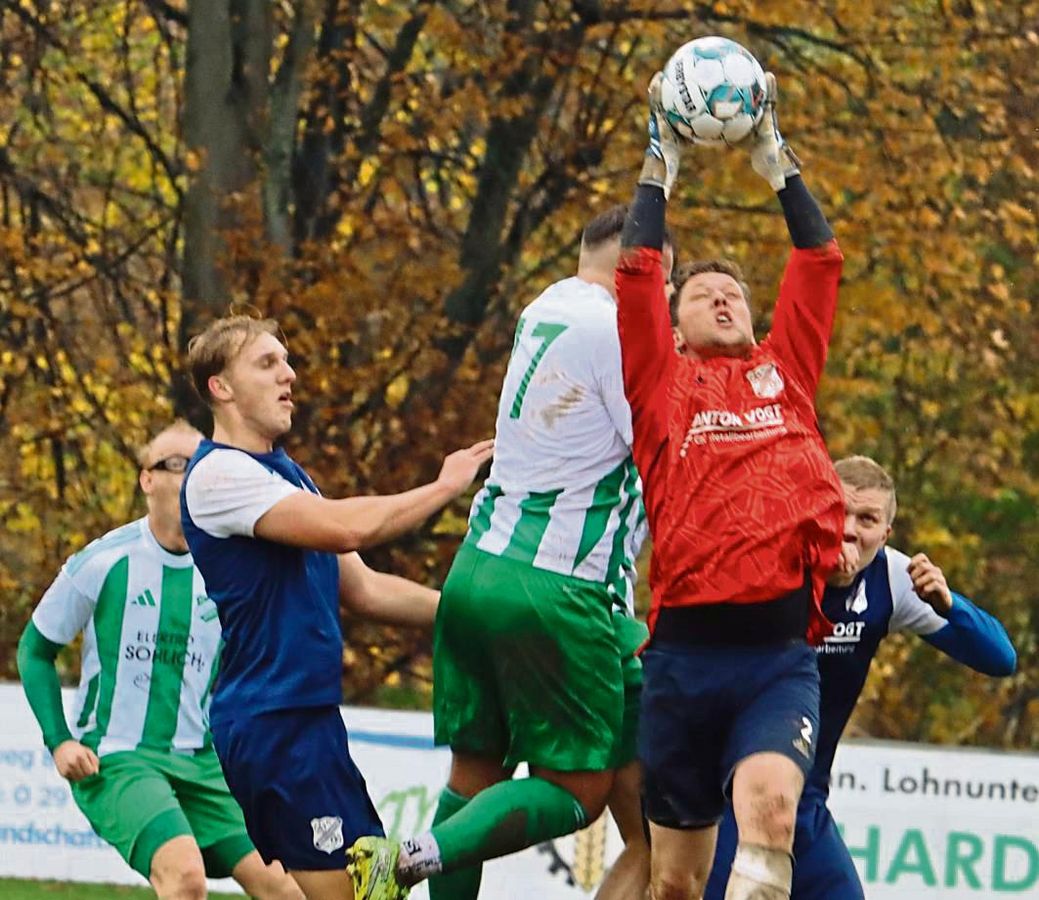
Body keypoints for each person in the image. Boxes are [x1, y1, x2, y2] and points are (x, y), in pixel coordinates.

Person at [345, 209, 673, 900]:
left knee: (474, 778)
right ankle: (404, 859)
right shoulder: (617, 329)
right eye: (668, 291)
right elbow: (666, 452)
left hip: (479, 566)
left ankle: (415, 859)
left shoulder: (543, 308)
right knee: (580, 793)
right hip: (557, 588)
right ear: (647, 275)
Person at [615, 71, 858, 900]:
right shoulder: (659, 389)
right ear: (673, 324)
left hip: (775, 660)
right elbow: (639, 270)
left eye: (734, 293)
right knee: (677, 885)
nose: (721, 297)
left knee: (771, 815)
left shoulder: (783, 373)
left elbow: (819, 259)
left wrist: (773, 160)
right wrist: (660, 162)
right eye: (702, 293)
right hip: (682, 661)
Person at [178, 315, 493, 900]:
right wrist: (446, 486)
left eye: (287, 359)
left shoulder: (290, 476)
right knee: (357, 894)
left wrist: (480, 614)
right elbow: (349, 528)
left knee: (370, 888)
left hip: (307, 721)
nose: (289, 374)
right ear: (220, 387)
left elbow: (366, 590)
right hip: (273, 723)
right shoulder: (218, 474)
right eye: (267, 363)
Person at [705, 455, 1017, 900]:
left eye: (867, 519)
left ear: (885, 534)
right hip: (731, 797)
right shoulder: (771, 561)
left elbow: (1001, 659)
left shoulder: (892, 578)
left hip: (806, 804)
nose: (848, 529)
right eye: (838, 511)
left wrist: (951, 606)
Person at [16, 420, 303, 900]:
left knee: (285, 886)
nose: (195, 476)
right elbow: (35, 650)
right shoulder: (104, 561)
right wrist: (60, 742)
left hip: (203, 762)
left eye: (205, 465)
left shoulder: (232, 572)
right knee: (184, 877)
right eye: (179, 466)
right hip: (119, 756)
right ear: (147, 479)